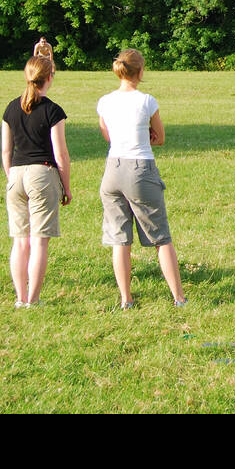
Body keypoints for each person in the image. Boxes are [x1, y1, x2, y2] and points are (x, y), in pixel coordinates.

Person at [97, 49, 186, 309]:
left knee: (119, 239)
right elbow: (160, 137)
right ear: (140, 72)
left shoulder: (105, 101)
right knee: (160, 237)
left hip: (112, 169)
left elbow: (108, 135)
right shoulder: (147, 101)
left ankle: (126, 298)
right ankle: (178, 297)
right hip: (140, 168)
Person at [1, 54, 71, 308]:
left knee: (20, 241)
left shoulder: (10, 108)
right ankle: (34, 299)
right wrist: (66, 186)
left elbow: (5, 151)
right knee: (39, 241)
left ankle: (20, 298)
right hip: (42, 174)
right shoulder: (53, 110)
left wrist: (11, 177)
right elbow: (60, 153)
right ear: (49, 78)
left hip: (16, 175)